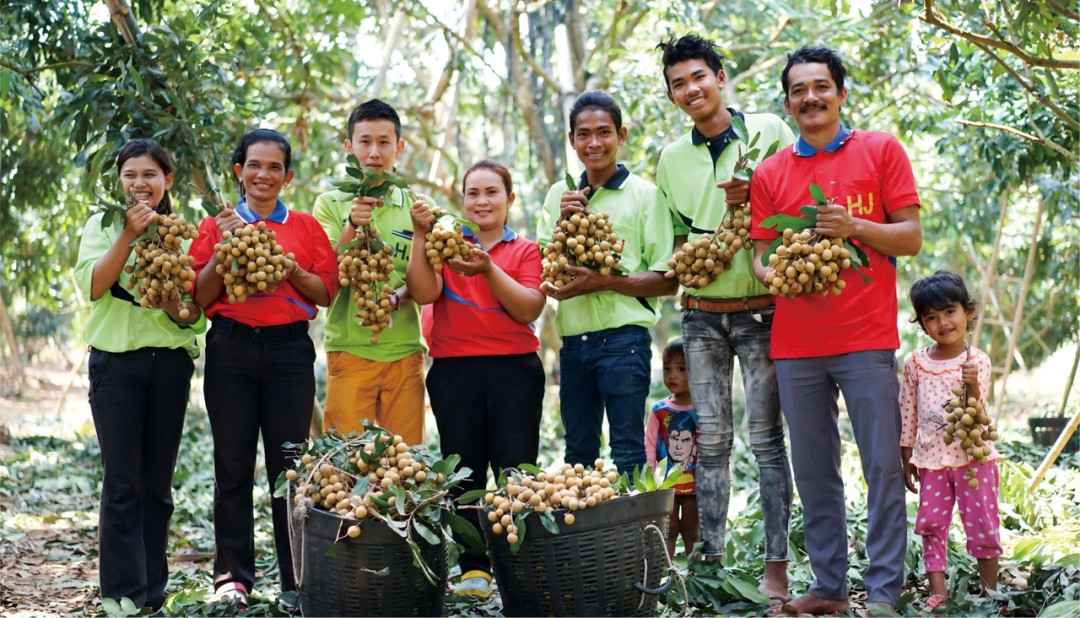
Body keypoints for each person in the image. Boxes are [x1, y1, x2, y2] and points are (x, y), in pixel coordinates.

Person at [749, 46, 923, 615]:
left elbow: (911, 236)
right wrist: (776, 272)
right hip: (797, 345)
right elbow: (760, 255)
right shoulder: (771, 172)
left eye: (821, 86)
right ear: (788, 102)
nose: (811, 98)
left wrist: (854, 226)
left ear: (841, 93)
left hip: (867, 339)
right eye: (799, 90)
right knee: (815, 472)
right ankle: (828, 589)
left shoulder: (880, 150)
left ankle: (882, 594)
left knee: (881, 469)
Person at [655, 33, 795, 599]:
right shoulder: (670, 158)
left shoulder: (770, 132)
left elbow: (798, 213)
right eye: (677, 84)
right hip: (701, 316)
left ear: (719, 75)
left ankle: (776, 565)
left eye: (697, 77)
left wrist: (756, 195)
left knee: (766, 440)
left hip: (763, 310)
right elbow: (677, 245)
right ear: (671, 95)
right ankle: (710, 562)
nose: (690, 89)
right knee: (710, 440)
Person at [189, 129, 338, 604]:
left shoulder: (307, 228)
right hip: (231, 349)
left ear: (288, 176)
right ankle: (232, 578)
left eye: (275, 167)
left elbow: (326, 293)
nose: (264, 174)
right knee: (232, 463)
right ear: (240, 171)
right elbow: (200, 295)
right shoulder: (217, 224)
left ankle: (297, 580)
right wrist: (222, 249)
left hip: (289, 353)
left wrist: (291, 270)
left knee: (290, 468)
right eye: (255, 164)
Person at [74, 139, 204, 610]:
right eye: (130, 174)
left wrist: (175, 306)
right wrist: (126, 236)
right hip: (116, 365)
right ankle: (120, 593)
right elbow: (92, 285)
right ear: (119, 181)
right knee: (122, 482)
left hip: (169, 365)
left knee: (157, 484)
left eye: (149, 174)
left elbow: (195, 314)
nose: (139, 183)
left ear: (167, 180)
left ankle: (152, 589)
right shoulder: (102, 226)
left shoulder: (184, 235)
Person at [407, 159, 546, 599]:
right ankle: (473, 569)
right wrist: (419, 235)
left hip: (514, 371)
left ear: (510, 200)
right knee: (464, 473)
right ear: (462, 200)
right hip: (454, 371)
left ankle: (515, 563)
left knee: (514, 471)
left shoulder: (526, 251)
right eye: (473, 193)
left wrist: (487, 268)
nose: (482, 201)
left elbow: (528, 309)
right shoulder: (445, 246)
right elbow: (425, 292)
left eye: (492, 192)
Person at [536, 90, 677, 474]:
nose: (594, 143)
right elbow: (546, 265)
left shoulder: (646, 195)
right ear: (572, 140)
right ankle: (586, 535)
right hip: (573, 345)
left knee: (629, 452)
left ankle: (637, 535)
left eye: (604, 132)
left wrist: (604, 282)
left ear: (621, 135)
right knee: (577, 454)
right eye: (584, 134)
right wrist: (564, 220)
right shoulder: (558, 195)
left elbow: (667, 281)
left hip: (623, 342)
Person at [312, 99, 427, 444]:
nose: (374, 152)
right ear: (349, 148)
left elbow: (426, 287)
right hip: (349, 351)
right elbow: (327, 280)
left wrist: (394, 297)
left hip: (405, 353)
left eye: (384, 142)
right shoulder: (330, 204)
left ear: (399, 148)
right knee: (345, 469)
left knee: (406, 467)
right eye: (364, 142)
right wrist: (351, 224)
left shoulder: (418, 207)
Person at [901, 272, 1001, 611]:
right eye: (931, 317)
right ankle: (937, 594)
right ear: (922, 323)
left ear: (968, 312)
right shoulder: (915, 363)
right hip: (931, 460)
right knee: (931, 525)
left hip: (975, 460)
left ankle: (991, 592)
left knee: (984, 527)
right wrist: (907, 456)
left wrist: (971, 383)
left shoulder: (977, 361)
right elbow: (908, 413)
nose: (942, 322)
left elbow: (976, 409)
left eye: (949, 312)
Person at [645, 338, 700, 559]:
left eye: (681, 369)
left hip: (696, 482)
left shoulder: (703, 409)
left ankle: (696, 577)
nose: (672, 375)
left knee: (691, 531)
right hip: (665, 483)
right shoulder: (659, 410)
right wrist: (650, 478)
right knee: (669, 530)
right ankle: (666, 575)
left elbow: (716, 445)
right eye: (667, 368)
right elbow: (649, 444)